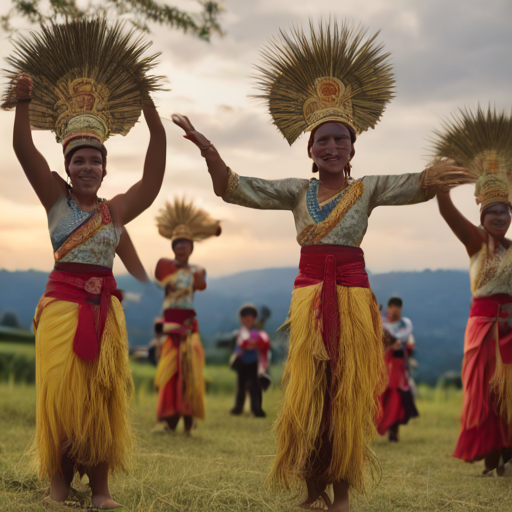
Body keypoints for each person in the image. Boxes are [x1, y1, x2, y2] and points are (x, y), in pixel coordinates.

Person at [172, 20, 465, 512]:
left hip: (352, 300)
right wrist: (208, 148)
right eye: (322, 140)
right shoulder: (294, 191)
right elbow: (235, 188)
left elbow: (415, 183)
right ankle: (312, 492)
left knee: (348, 397)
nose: (332, 147)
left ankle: (343, 494)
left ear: (353, 148)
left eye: (340, 140)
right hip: (310, 300)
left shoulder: (367, 189)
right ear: (309, 150)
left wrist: (442, 172)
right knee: (310, 396)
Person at [3, 19, 166, 509]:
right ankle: (58, 485)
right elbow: (21, 149)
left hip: (104, 313)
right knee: (60, 398)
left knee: (101, 400)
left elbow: (154, 175)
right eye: (79, 160)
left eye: (95, 160)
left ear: (105, 166)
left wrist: (150, 108)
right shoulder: (55, 198)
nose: (87, 167)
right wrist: (24, 101)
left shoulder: (116, 210)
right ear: (68, 165)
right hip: (60, 309)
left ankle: (99, 489)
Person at [433, 107, 512, 475]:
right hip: (482, 331)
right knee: (484, 392)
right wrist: (443, 184)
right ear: (482, 216)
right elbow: (447, 211)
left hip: (511, 329)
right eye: (493, 212)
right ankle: (491, 455)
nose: (500, 217)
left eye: (505, 212)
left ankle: (505, 452)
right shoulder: (476, 243)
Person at [153, 198, 221, 435]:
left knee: (190, 374)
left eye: (185, 242)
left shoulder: (198, 272)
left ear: (191, 246)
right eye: (177, 242)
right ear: (173, 246)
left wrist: (211, 230)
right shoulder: (164, 266)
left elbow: (201, 284)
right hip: (170, 326)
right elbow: (161, 275)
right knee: (171, 374)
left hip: (189, 326)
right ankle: (170, 422)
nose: (181, 246)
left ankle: (188, 422)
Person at [378, 297, 419, 441]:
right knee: (382, 396)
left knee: (396, 397)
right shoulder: (381, 322)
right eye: (392, 307)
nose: (394, 310)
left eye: (397, 307)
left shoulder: (405, 324)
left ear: (400, 309)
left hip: (398, 366)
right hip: (384, 364)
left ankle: (393, 430)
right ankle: (384, 426)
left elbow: (403, 338)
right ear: (389, 308)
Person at [230, 303, 271, 418]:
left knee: (255, 386)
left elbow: (262, 345)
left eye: (250, 317)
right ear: (241, 319)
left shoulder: (258, 332)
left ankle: (257, 409)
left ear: (254, 319)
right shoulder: (239, 333)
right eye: (245, 317)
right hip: (242, 362)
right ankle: (238, 408)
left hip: (254, 362)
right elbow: (239, 345)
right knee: (241, 386)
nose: (248, 319)